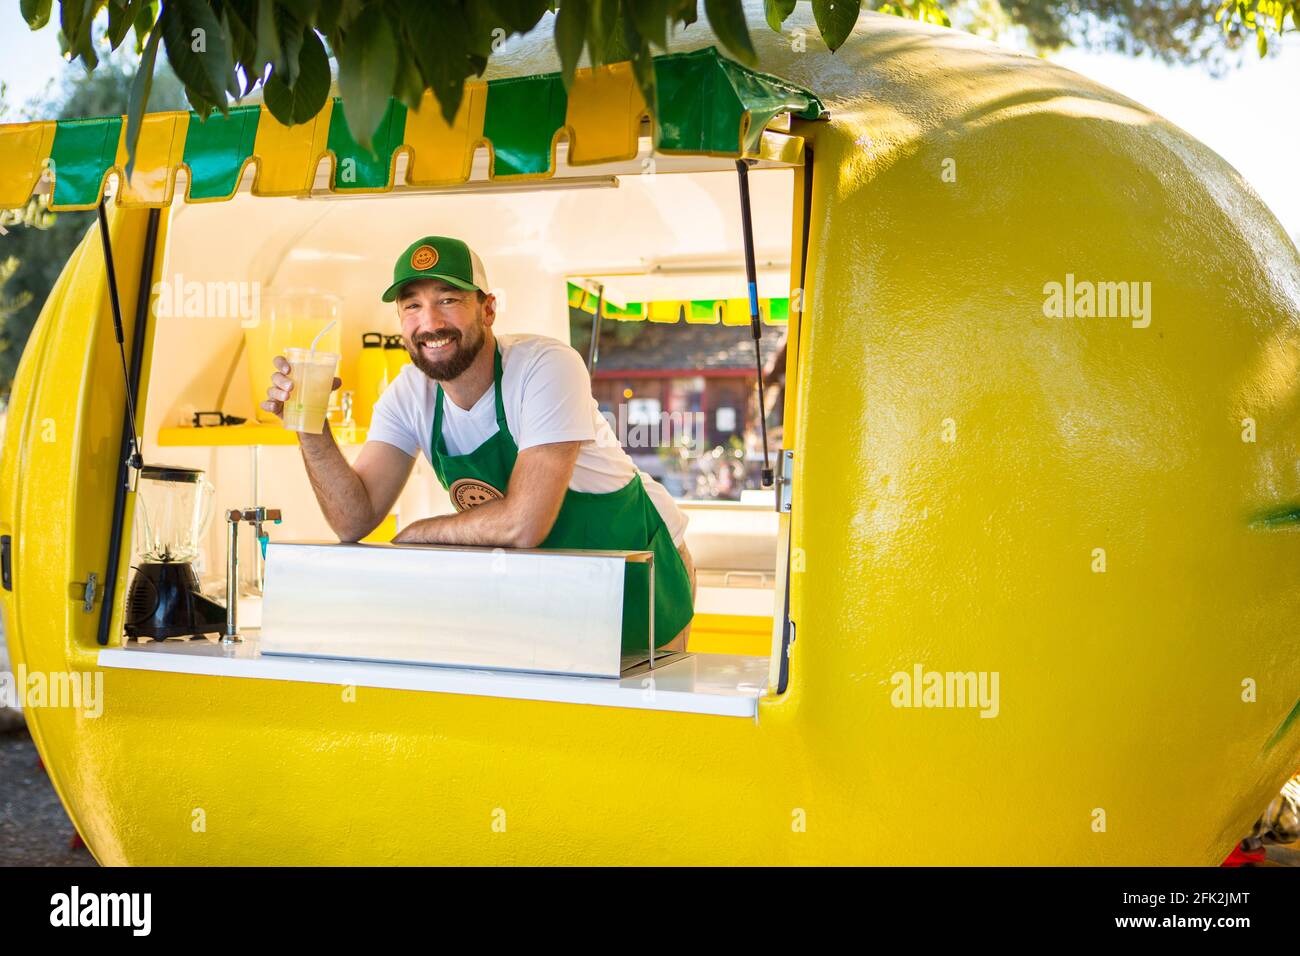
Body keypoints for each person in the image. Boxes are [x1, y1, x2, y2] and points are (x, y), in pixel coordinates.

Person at [262, 236, 695, 652]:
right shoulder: (409, 394)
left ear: (488, 309)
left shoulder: (545, 368)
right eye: (412, 305)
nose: (430, 323)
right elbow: (352, 520)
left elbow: (523, 525)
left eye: (448, 300)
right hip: (549, 595)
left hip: (640, 574)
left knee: (638, 721)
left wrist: (417, 535)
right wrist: (310, 425)